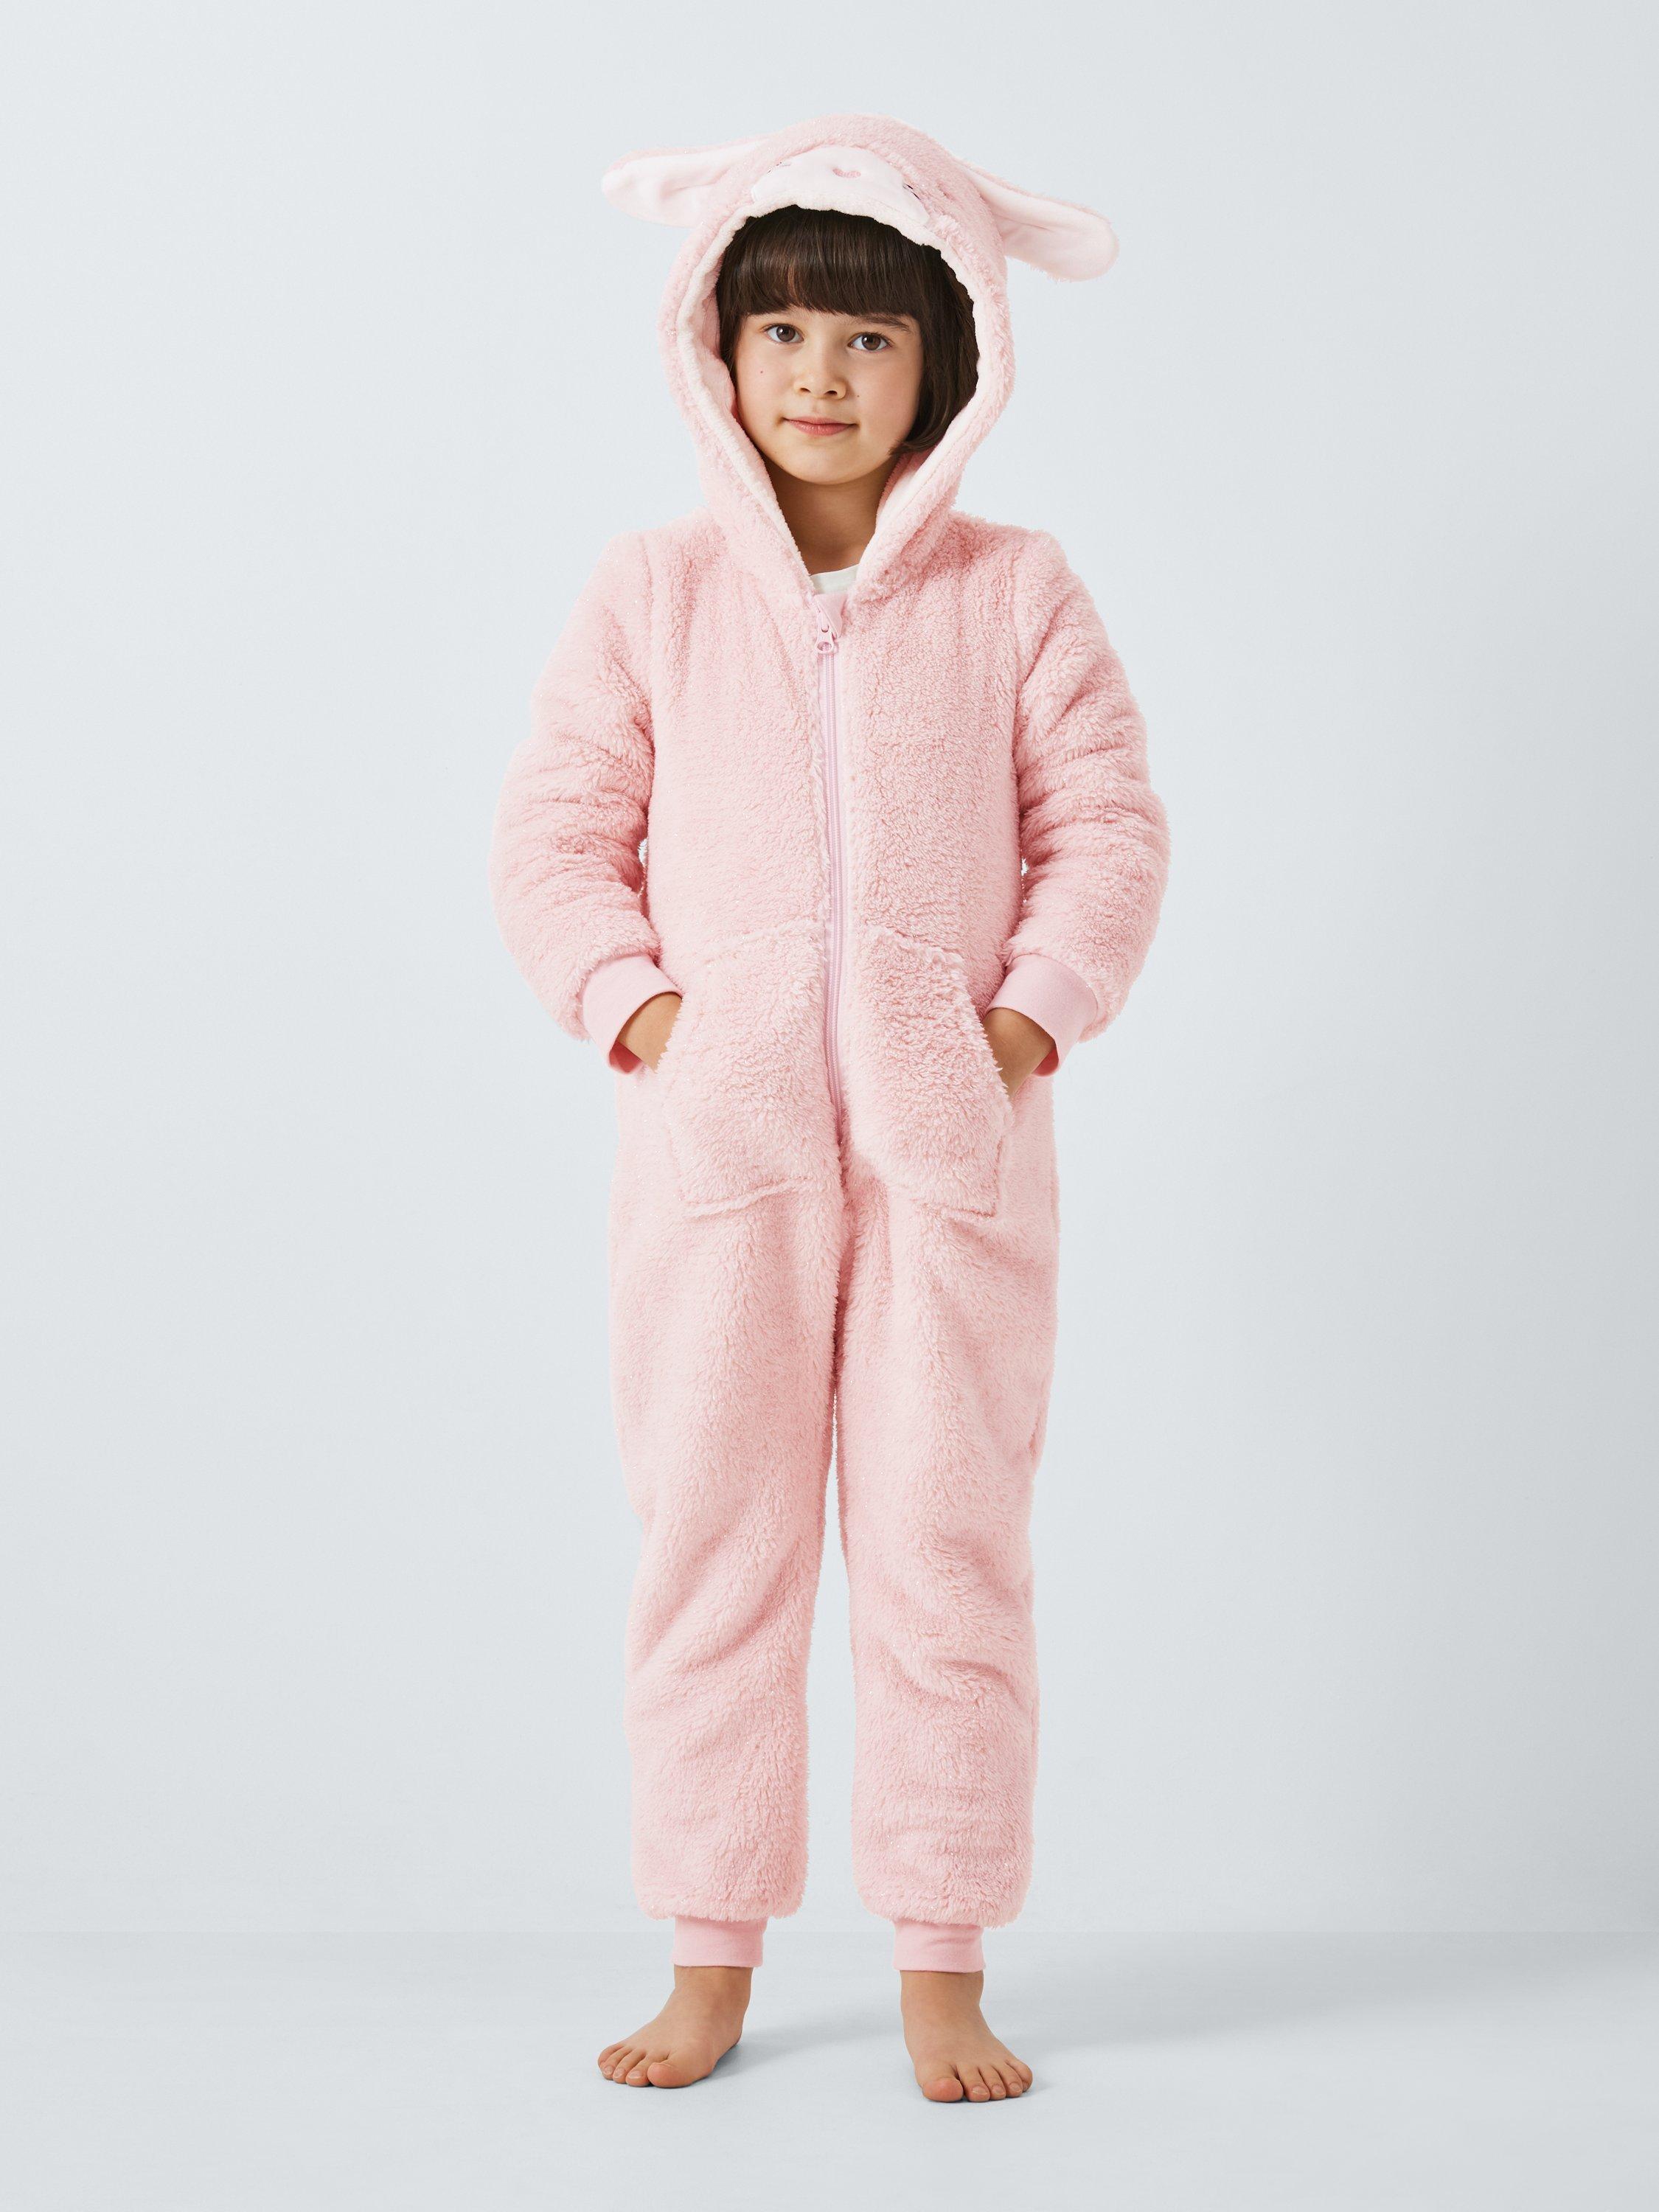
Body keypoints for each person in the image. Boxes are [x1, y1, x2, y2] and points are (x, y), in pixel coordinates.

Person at [489, 114, 1169, 2103]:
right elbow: (552, 839)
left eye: (870, 339)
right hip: (719, 1169)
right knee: (717, 1553)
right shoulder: (653, 592)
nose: (819, 373)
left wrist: (1017, 1031)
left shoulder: (1018, 593)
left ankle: (943, 1961)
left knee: (950, 1559)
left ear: (949, 367)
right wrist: (648, 1020)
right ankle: (708, 1951)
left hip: (955, 1169)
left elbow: (1109, 830)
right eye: (781, 327)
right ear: (715, 347)